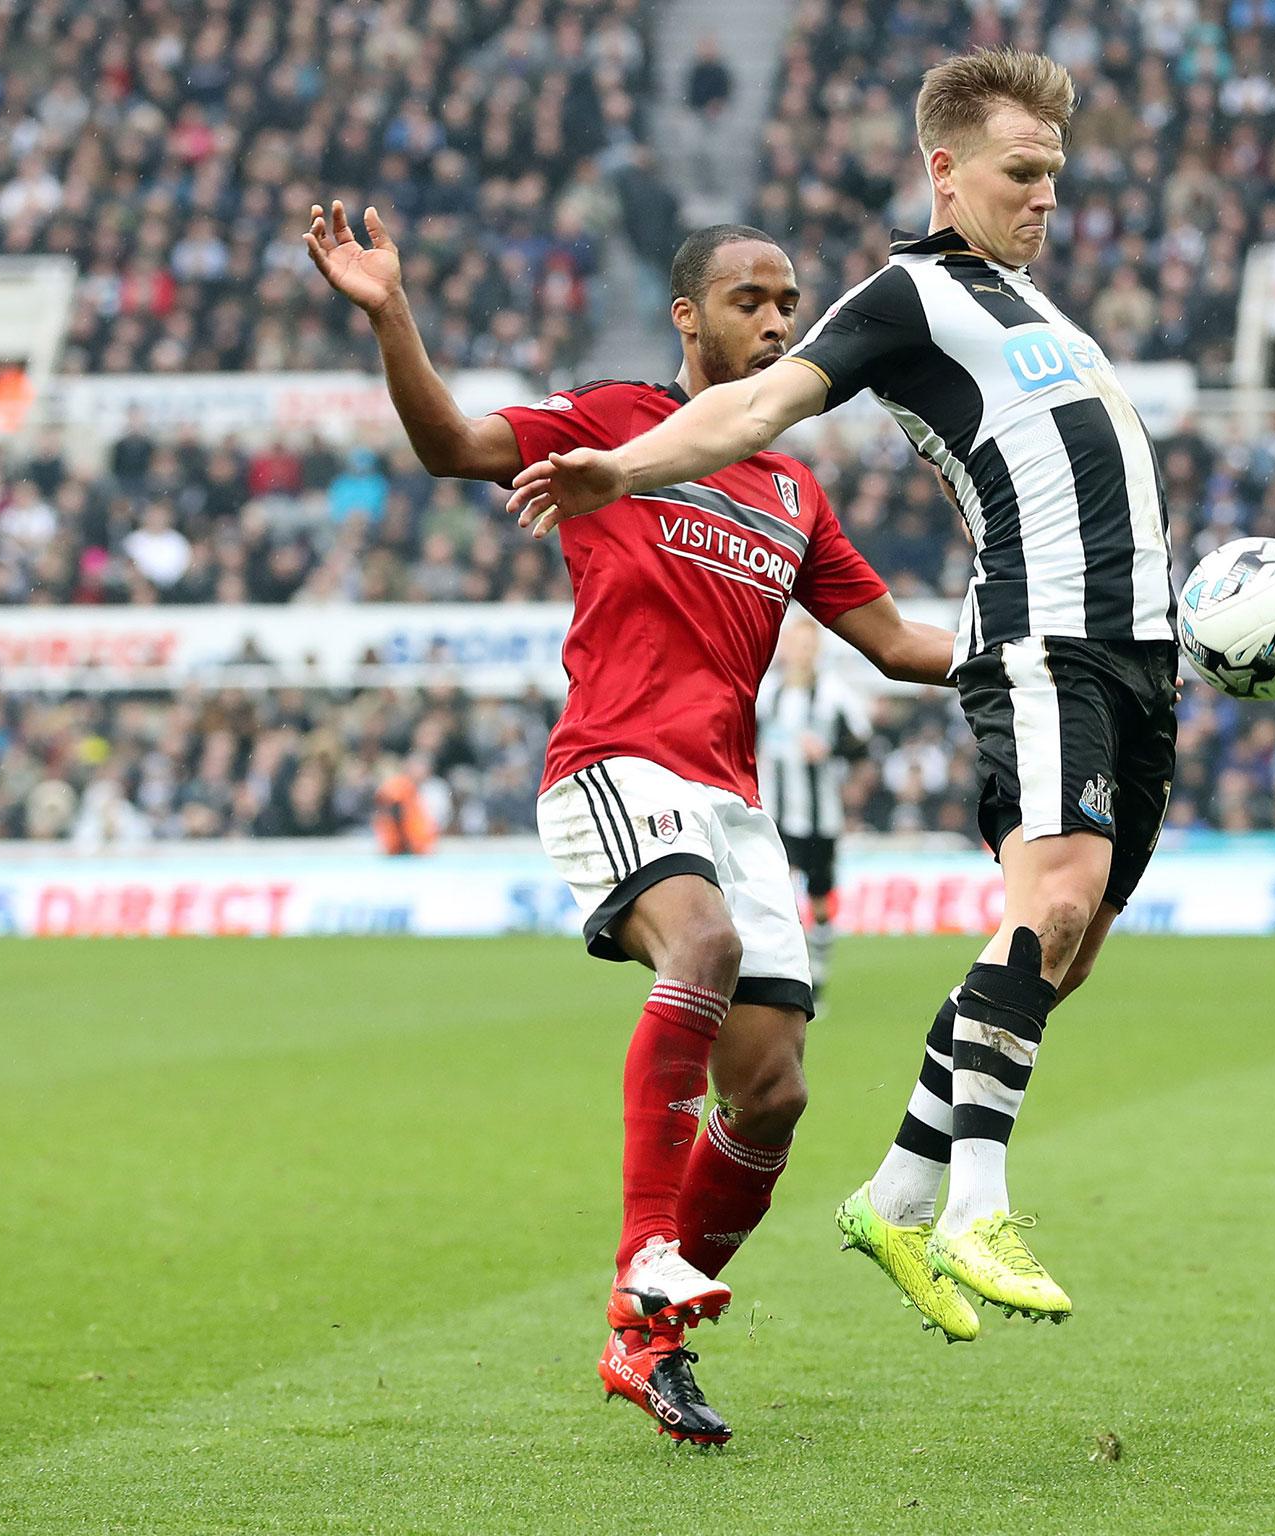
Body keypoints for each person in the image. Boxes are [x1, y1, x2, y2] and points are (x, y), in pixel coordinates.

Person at [506, 50, 1179, 1339]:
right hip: (1049, 635)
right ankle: (973, 1200)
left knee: (1065, 952)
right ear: (944, 170)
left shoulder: (1035, 310)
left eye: (1055, 176)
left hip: (1136, 646)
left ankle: (895, 1190)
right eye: (1020, 174)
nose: (1045, 199)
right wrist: (619, 469)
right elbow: (752, 410)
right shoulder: (908, 294)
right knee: (1051, 905)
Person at [306, 201, 955, 1443]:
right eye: (748, 302)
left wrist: (1038, 651)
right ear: (687, 317)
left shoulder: (791, 490)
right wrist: (391, 313)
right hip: (614, 765)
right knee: (700, 949)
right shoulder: (614, 423)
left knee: (769, 1096)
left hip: (732, 800)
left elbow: (896, 644)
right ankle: (646, 1253)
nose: (774, 323)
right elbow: (448, 444)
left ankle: (643, 1344)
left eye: (786, 304)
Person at [756, 616, 872, 1004]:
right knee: (780, 896)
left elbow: (861, 744)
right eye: (796, 644)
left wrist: (830, 750)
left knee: (820, 902)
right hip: (776, 813)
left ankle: (817, 980)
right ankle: (787, 978)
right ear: (786, 647)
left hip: (822, 816)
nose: (802, 653)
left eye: (809, 645)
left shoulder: (833, 694)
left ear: (816, 650)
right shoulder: (767, 693)